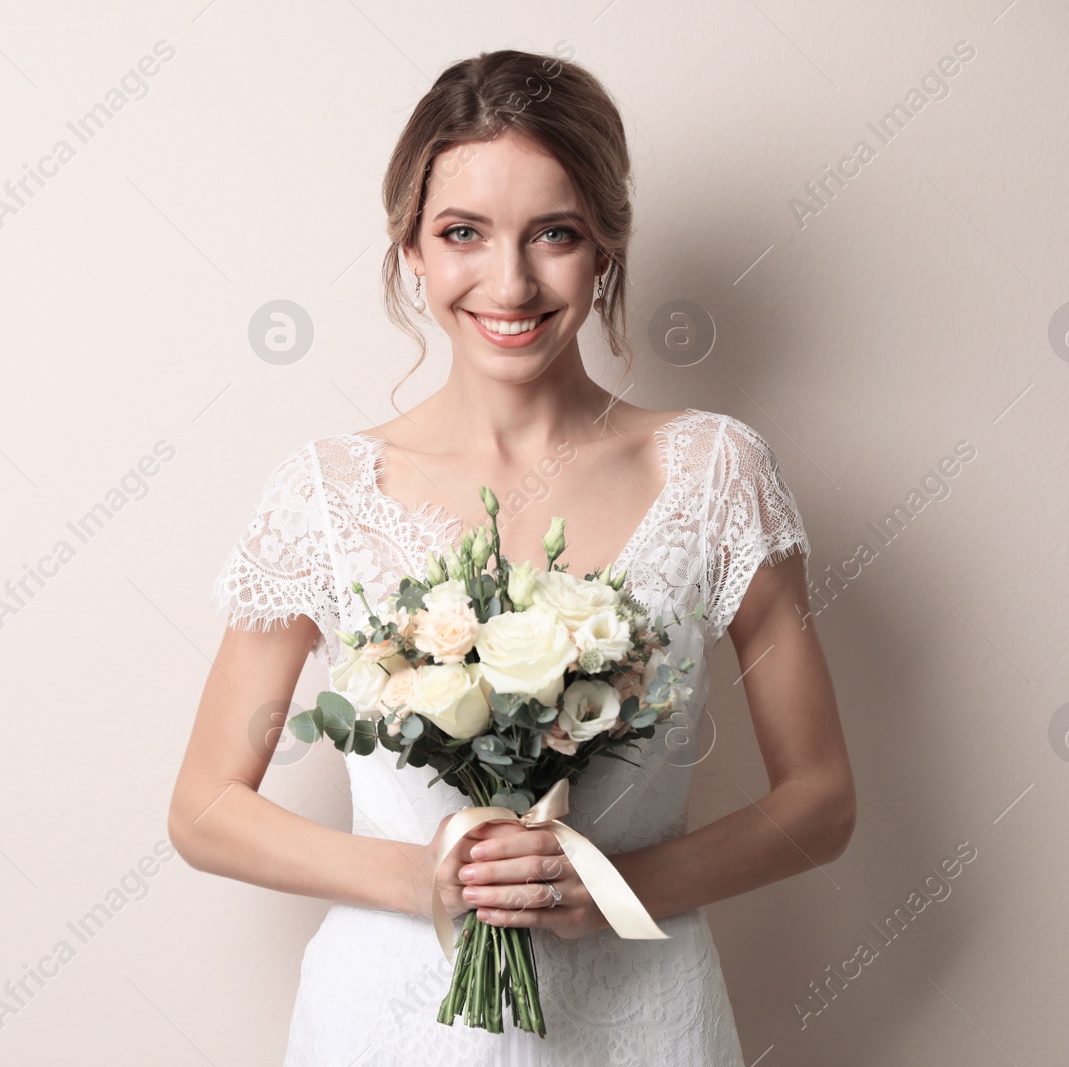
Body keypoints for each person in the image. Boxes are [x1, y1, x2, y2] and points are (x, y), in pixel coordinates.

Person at [169, 48, 854, 1066]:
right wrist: (421, 877)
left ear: (606, 248)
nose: (511, 281)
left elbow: (821, 798)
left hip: (640, 1016)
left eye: (555, 234)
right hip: (389, 1020)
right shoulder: (325, 492)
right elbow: (204, 806)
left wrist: (616, 887)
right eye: (462, 234)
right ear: (412, 248)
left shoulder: (717, 469)